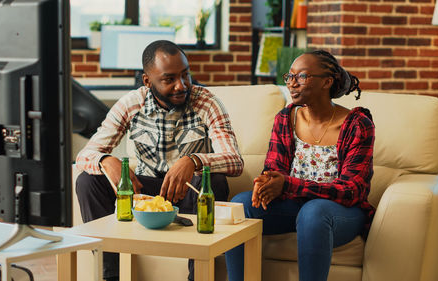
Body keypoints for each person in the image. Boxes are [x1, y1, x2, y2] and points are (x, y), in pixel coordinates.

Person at [75, 40, 244, 281]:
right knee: (87, 182)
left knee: (214, 182)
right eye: (169, 79)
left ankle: (197, 277)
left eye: (186, 75)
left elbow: (235, 161)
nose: (182, 85)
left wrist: (192, 161)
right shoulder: (131, 103)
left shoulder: (207, 102)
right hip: (145, 196)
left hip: (188, 195)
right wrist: (105, 160)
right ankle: (110, 275)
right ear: (147, 81)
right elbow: (85, 155)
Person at [225, 50, 375, 281]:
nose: (292, 84)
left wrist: (288, 185)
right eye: (289, 77)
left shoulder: (357, 124)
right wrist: (266, 182)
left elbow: (352, 191)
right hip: (293, 206)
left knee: (313, 211)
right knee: (240, 204)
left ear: (327, 82)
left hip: (340, 213)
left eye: (302, 77)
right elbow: (274, 167)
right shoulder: (286, 118)